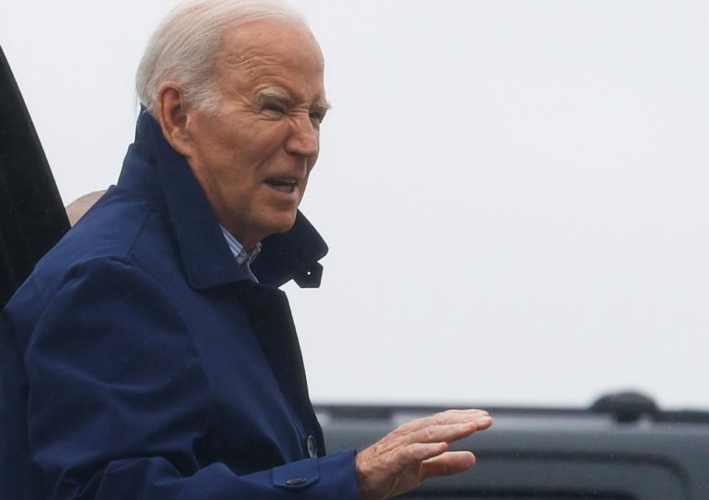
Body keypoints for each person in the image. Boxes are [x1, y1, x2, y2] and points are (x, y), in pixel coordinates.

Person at [0, 1, 492, 499]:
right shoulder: (115, 277)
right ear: (177, 116)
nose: (307, 144)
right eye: (274, 107)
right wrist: (351, 479)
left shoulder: (200, 272)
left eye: (316, 116)